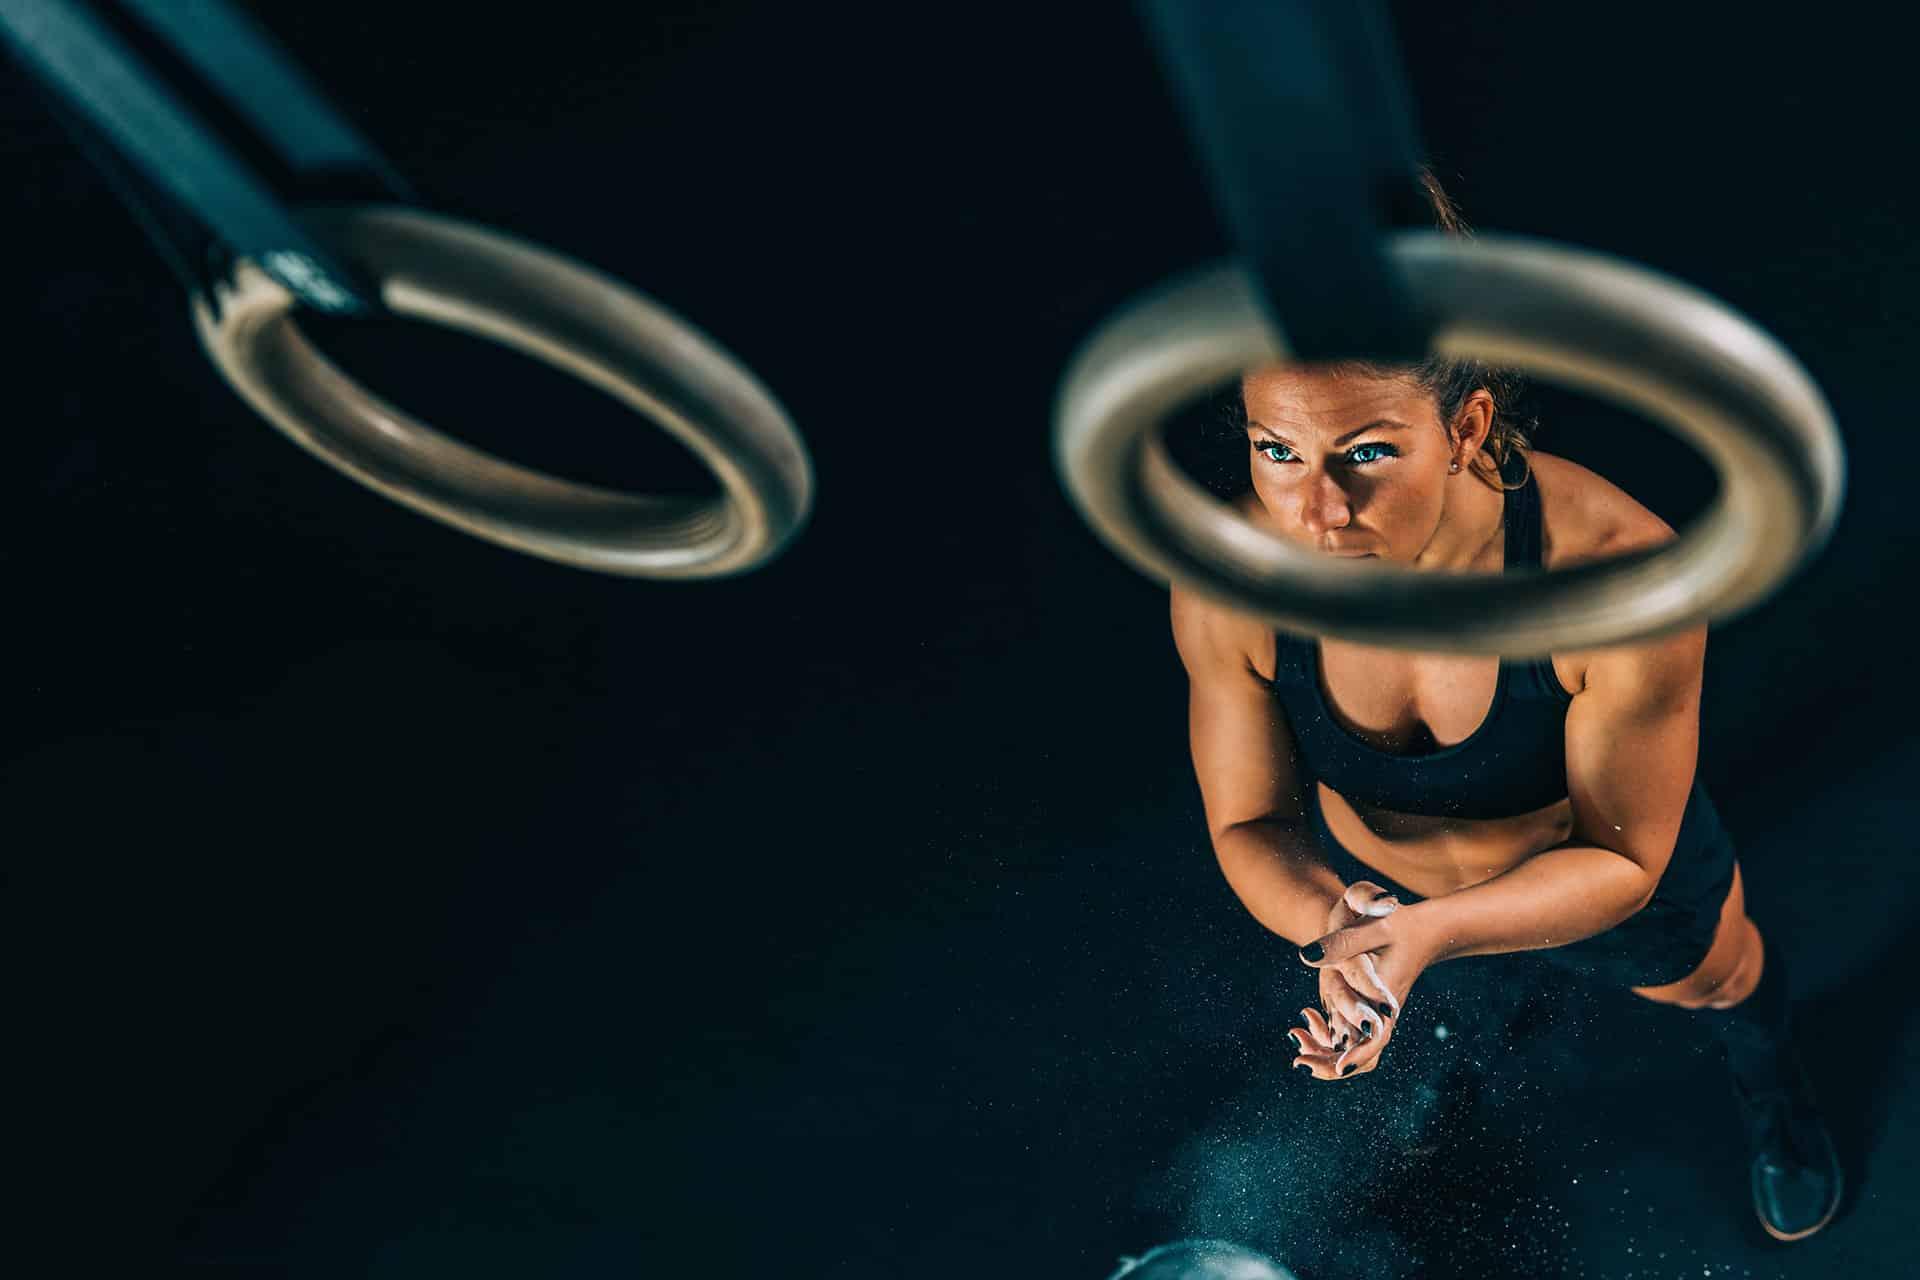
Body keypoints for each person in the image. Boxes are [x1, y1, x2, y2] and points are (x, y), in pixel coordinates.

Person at [1168, 172, 1844, 1242]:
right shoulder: (1229, 574)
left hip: (1587, 875)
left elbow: (1626, 864)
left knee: (1723, 978)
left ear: (1467, 423)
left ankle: (1781, 1094)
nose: (1316, 511)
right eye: (1277, 451)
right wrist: (1342, 927)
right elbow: (1247, 822)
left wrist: (1427, 937)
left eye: (1369, 453)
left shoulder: (1616, 575)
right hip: (1379, 890)